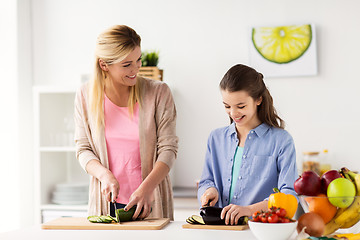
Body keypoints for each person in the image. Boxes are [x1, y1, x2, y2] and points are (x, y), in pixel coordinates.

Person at [74, 25, 178, 220]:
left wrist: (146, 189)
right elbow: (83, 148)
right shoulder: (85, 96)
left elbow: (168, 149)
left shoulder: (159, 93)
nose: (136, 69)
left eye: (138, 59)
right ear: (104, 65)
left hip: (149, 201)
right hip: (106, 204)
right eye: (126, 64)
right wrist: (104, 175)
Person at [197, 64, 298, 225]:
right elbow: (206, 181)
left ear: (258, 99)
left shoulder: (281, 140)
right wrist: (209, 191)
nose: (233, 113)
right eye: (227, 106)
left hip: (260, 230)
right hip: (220, 230)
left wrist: (250, 210)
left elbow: (289, 195)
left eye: (241, 106)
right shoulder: (216, 138)